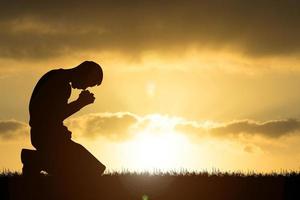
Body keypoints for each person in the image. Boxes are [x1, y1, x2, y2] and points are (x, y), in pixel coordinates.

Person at [21, 61, 106, 178]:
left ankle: (37, 160)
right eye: (88, 83)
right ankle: (36, 160)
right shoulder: (61, 85)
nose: (85, 87)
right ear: (83, 74)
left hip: (45, 135)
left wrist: (60, 129)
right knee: (92, 169)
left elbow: (50, 114)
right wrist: (79, 103)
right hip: (48, 138)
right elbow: (54, 115)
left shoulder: (55, 76)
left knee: (92, 168)